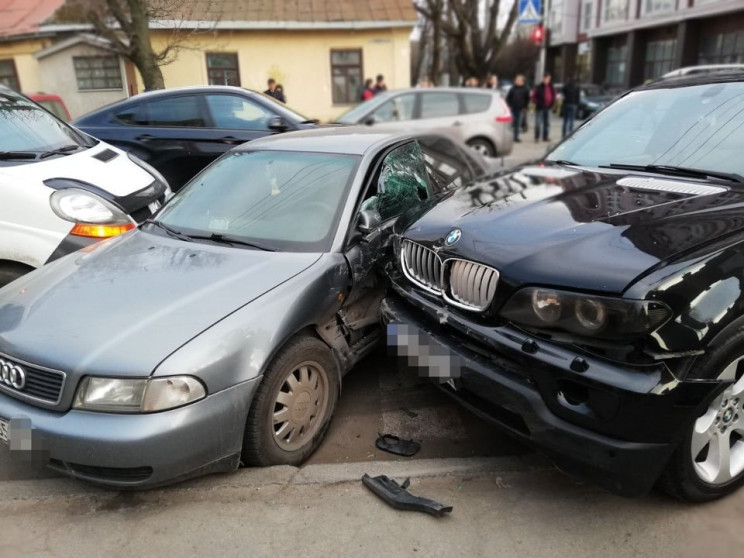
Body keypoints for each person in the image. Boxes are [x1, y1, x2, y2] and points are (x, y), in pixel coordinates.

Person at [531, 73, 556, 142]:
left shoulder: (551, 87)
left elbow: (554, 96)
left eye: (548, 79)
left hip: (548, 108)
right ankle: (537, 137)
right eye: (546, 79)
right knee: (538, 123)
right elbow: (533, 97)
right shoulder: (538, 87)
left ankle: (545, 137)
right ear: (543, 79)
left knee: (547, 123)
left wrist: (552, 103)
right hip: (540, 108)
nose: (547, 80)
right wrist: (537, 103)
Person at [505, 74, 530, 143]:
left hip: (520, 109)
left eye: (518, 80)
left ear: (522, 81)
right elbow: (508, 98)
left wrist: (525, 107)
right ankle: (509, 137)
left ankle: (516, 137)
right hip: (512, 109)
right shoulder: (512, 88)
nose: (516, 81)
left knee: (518, 124)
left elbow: (527, 99)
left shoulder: (525, 89)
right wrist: (509, 106)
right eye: (516, 80)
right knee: (510, 124)